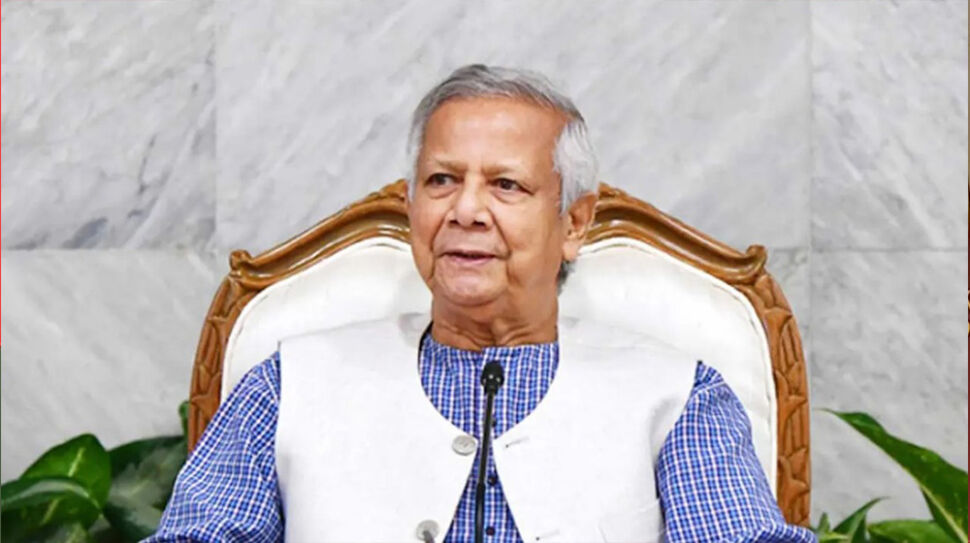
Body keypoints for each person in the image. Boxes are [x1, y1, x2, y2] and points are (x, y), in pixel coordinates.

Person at [146, 64, 816, 543]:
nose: (466, 210)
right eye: (442, 180)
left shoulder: (680, 396)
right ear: (411, 208)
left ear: (574, 222)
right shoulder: (286, 384)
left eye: (506, 185)